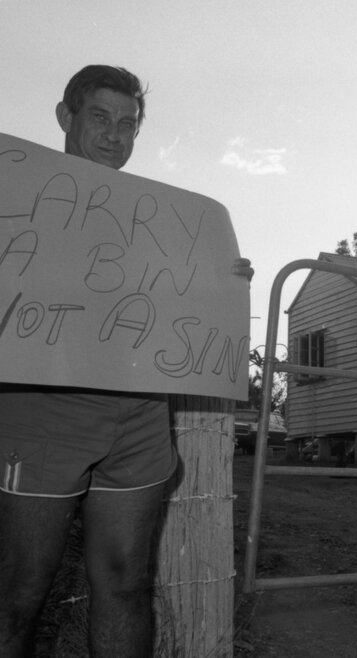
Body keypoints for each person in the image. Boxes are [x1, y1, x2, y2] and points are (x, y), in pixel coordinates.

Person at [0, 65, 252, 657]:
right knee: (19, 590)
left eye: (128, 123)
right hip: (41, 413)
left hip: (137, 419)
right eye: (100, 118)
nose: (115, 135)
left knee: (127, 583)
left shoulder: (161, 223)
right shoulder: (18, 198)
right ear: (65, 118)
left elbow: (185, 304)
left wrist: (226, 280)